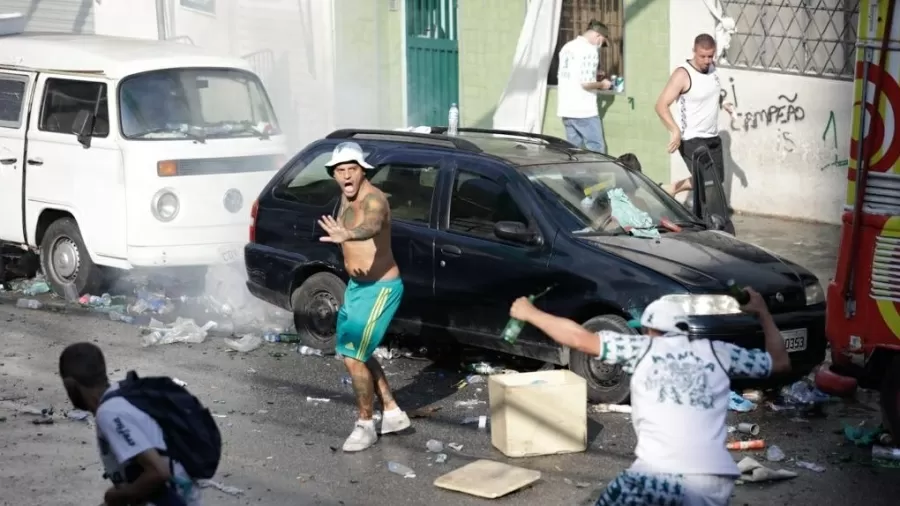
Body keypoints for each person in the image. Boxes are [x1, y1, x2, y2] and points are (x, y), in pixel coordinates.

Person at [509, 287, 791, 505]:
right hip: (714, 482)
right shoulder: (718, 352)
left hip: (658, 477)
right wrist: (763, 312)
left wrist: (530, 312)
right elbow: (779, 362)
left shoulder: (641, 348)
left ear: (648, 330)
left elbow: (578, 338)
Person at [317, 141, 411, 452]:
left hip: (381, 289)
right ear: (334, 175)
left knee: (355, 356)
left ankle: (365, 424)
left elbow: (371, 225)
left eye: (351, 169)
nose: (346, 176)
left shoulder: (374, 200)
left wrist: (349, 234)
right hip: (358, 288)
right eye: (340, 170)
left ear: (362, 171)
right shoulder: (345, 197)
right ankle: (393, 412)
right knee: (353, 351)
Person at [58, 342, 202, 506]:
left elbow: (158, 472)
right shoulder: (118, 396)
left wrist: (116, 496)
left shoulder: (109, 413)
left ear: (70, 384)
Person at [655, 33, 735, 200]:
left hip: (712, 136)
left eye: (710, 56)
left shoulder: (713, 69)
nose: (707, 61)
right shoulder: (683, 74)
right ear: (694, 51)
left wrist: (723, 103)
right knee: (707, 180)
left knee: (716, 179)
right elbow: (661, 105)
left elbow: (709, 91)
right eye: (702, 56)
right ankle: (705, 220)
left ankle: (672, 188)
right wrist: (675, 131)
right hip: (690, 138)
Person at [557, 20, 613, 153]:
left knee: (573, 153)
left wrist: (594, 74)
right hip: (584, 110)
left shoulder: (567, 47)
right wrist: (602, 84)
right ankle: (594, 174)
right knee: (597, 151)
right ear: (598, 36)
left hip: (566, 109)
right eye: (602, 42)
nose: (600, 46)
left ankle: (572, 174)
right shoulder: (589, 50)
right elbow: (586, 84)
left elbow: (571, 75)